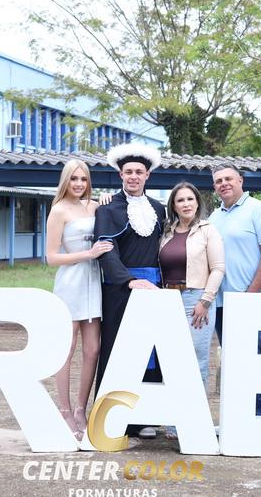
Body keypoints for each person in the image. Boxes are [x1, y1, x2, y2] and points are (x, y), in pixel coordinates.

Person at [93, 142, 165, 439]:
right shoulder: (107, 208)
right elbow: (105, 249)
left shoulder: (159, 209)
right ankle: (114, 419)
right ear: (120, 175)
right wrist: (128, 280)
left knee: (151, 352)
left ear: (147, 175)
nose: (133, 176)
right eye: (128, 172)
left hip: (154, 287)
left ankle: (146, 418)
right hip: (120, 289)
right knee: (118, 351)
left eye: (138, 172)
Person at [46, 159, 114, 440]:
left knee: (93, 350)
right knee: (67, 348)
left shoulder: (96, 206)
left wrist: (108, 199)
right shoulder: (58, 210)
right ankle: (63, 410)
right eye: (73, 178)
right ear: (66, 181)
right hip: (70, 283)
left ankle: (80, 409)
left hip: (93, 283)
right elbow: (51, 257)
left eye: (83, 179)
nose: (78, 184)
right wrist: (88, 254)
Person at [208, 164, 261, 416]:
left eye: (228, 178)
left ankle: (254, 417)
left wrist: (249, 296)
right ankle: (236, 419)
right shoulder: (214, 217)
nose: (223, 184)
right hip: (220, 304)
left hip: (250, 301)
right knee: (232, 362)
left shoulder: (259, 210)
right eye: (218, 181)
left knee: (250, 361)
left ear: (240, 180)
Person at [158, 181, 225, 439]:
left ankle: (195, 421)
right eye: (180, 200)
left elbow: (218, 268)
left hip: (196, 299)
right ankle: (174, 424)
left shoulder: (208, 230)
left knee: (196, 361)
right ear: (173, 206)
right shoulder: (166, 232)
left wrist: (205, 301)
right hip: (168, 300)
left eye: (190, 199)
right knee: (172, 361)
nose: (186, 204)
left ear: (197, 202)